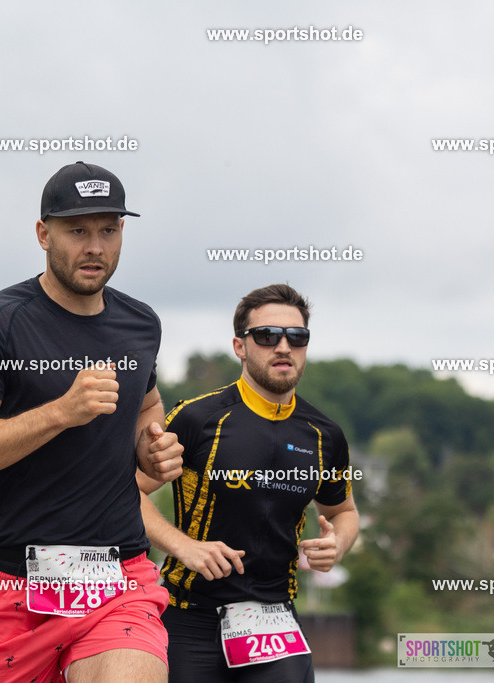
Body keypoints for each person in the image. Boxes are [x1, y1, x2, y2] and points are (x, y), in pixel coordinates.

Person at [0, 162, 184, 682]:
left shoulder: (140, 323)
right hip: (11, 585)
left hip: (118, 578)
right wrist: (59, 414)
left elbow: (146, 405)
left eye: (108, 230)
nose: (95, 247)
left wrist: (150, 444)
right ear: (43, 234)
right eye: (78, 231)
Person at [138, 284, 360, 682]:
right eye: (266, 336)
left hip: (274, 620)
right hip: (191, 617)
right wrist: (182, 546)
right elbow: (126, 491)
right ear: (240, 347)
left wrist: (337, 544)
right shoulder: (197, 418)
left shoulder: (325, 435)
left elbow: (342, 511)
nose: (283, 347)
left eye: (297, 337)